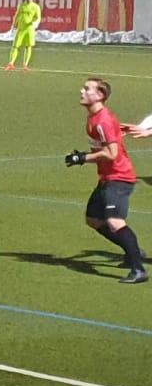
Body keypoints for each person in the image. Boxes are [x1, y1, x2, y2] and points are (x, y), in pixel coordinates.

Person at [66, 78, 147, 284]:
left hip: (119, 177)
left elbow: (111, 153)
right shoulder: (94, 118)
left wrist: (82, 158)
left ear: (100, 95)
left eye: (87, 89)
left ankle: (138, 269)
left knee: (114, 221)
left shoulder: (102, 120)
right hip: (107, 178)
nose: (82, 91)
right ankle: (133, 251)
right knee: (94, 220)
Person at [6, 0, 41, 71]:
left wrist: (35, 23)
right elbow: (16, 15)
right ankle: (11, 63)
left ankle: (25, 65)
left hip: (30, 29)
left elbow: (38, 18)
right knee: (15, 46)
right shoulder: (21, 5)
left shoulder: (36, 7)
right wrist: (13, 25)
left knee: (28, 46)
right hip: (21, 29)